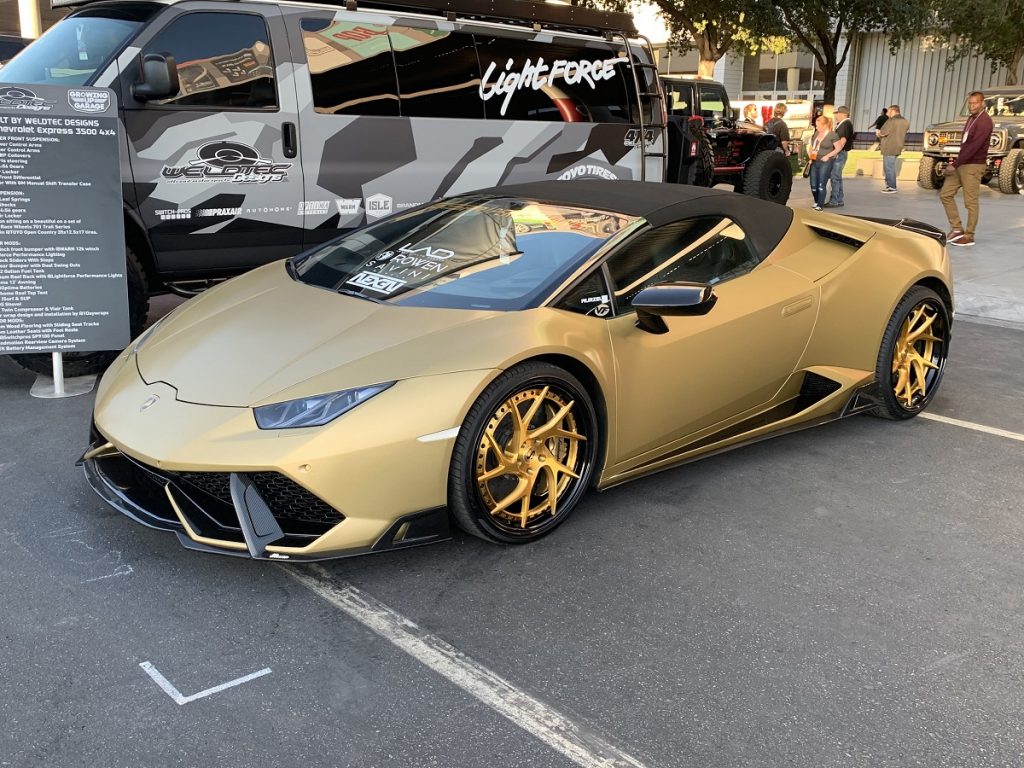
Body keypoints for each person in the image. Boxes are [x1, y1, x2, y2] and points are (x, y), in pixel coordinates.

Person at [940, 90, 994, 247]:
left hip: (973, 165)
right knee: (945, 194)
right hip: (962, 162)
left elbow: (974, 147)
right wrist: (958, 163)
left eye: (975, 103)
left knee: (970, 202)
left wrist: (955, 164)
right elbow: (966, 144)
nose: (972, 106)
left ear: (982, 103)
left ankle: (969, 235)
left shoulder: (985, 121)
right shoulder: (972, 118)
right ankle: (957, 228)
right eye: (970, 103)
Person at [807, 115, 841, 211]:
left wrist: (828, 156)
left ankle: (820, 205)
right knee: (813, 185)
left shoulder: (832, 135)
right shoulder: (816, 133)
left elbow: (838, 148)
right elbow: (812, 146)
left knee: (821, 184)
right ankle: (816, 201)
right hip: (815, 161)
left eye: (818, 126)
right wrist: (810, 155)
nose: (816, 127)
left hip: (825, 162)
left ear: (825, 125)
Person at [876, 104, 909, 193]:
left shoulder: (891, 120)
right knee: (891, 166)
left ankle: (891, 186)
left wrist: (878, 133)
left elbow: (883, 132)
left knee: (888, 167)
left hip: (889, 146)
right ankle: (890, 185)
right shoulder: (905, 121)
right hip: (898, 146)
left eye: (889, 111)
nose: (887, 113)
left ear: (893, 111)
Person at [825, 105, 853, 207]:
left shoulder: (845, 124)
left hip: (840, 154)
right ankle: (839, 199)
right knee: (838, 177)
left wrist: (835, 152)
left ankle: (834, 200)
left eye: (837, 114)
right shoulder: (844, 124)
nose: (836, 116)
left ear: (842, 114)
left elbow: (842, 140)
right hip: (841, 153)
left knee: (834, 177)